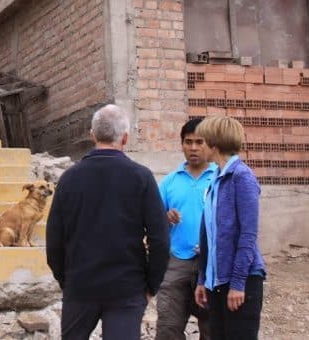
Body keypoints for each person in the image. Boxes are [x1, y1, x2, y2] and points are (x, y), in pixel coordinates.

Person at [46, 104, 170, 340]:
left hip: (80, 285)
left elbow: (54, 241)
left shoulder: (69, 179)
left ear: (91, 135)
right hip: (126, 287)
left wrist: (66, 280)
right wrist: (150, 286)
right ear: (125, 138)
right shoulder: (141, 177)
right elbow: (160, 239)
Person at [194, 116, 266, 340]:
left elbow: (248, 236)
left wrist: (237, 284)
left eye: (202, 141)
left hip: (241, 282)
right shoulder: (215, 180)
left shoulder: (242, 178)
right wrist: (202, 279)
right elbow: (209, 236)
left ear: (214, 145)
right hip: (217, 283)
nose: (198, 147)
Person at [156, 118, 215, 340]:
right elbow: (153, 221)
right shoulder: (170, 182)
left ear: (209, 144)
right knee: (168, 328)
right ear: (181, 144)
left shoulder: (220, 178)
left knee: (212, 329)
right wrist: (166, 217)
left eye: (199, 142)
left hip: (211, 264)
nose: (193, 148)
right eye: (188, 142)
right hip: (176, 262)